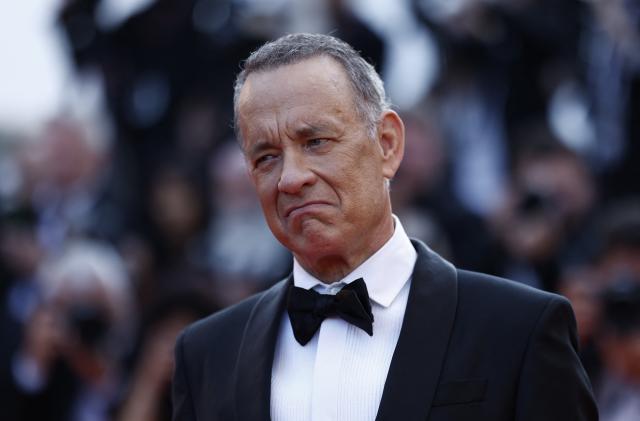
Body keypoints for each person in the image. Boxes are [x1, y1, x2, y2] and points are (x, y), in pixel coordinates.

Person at [172, 33, 598, 421]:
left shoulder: (517, 330)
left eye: (316, 142)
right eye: (266, 157)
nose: (290, 178)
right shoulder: (207, 354)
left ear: (388, 145)